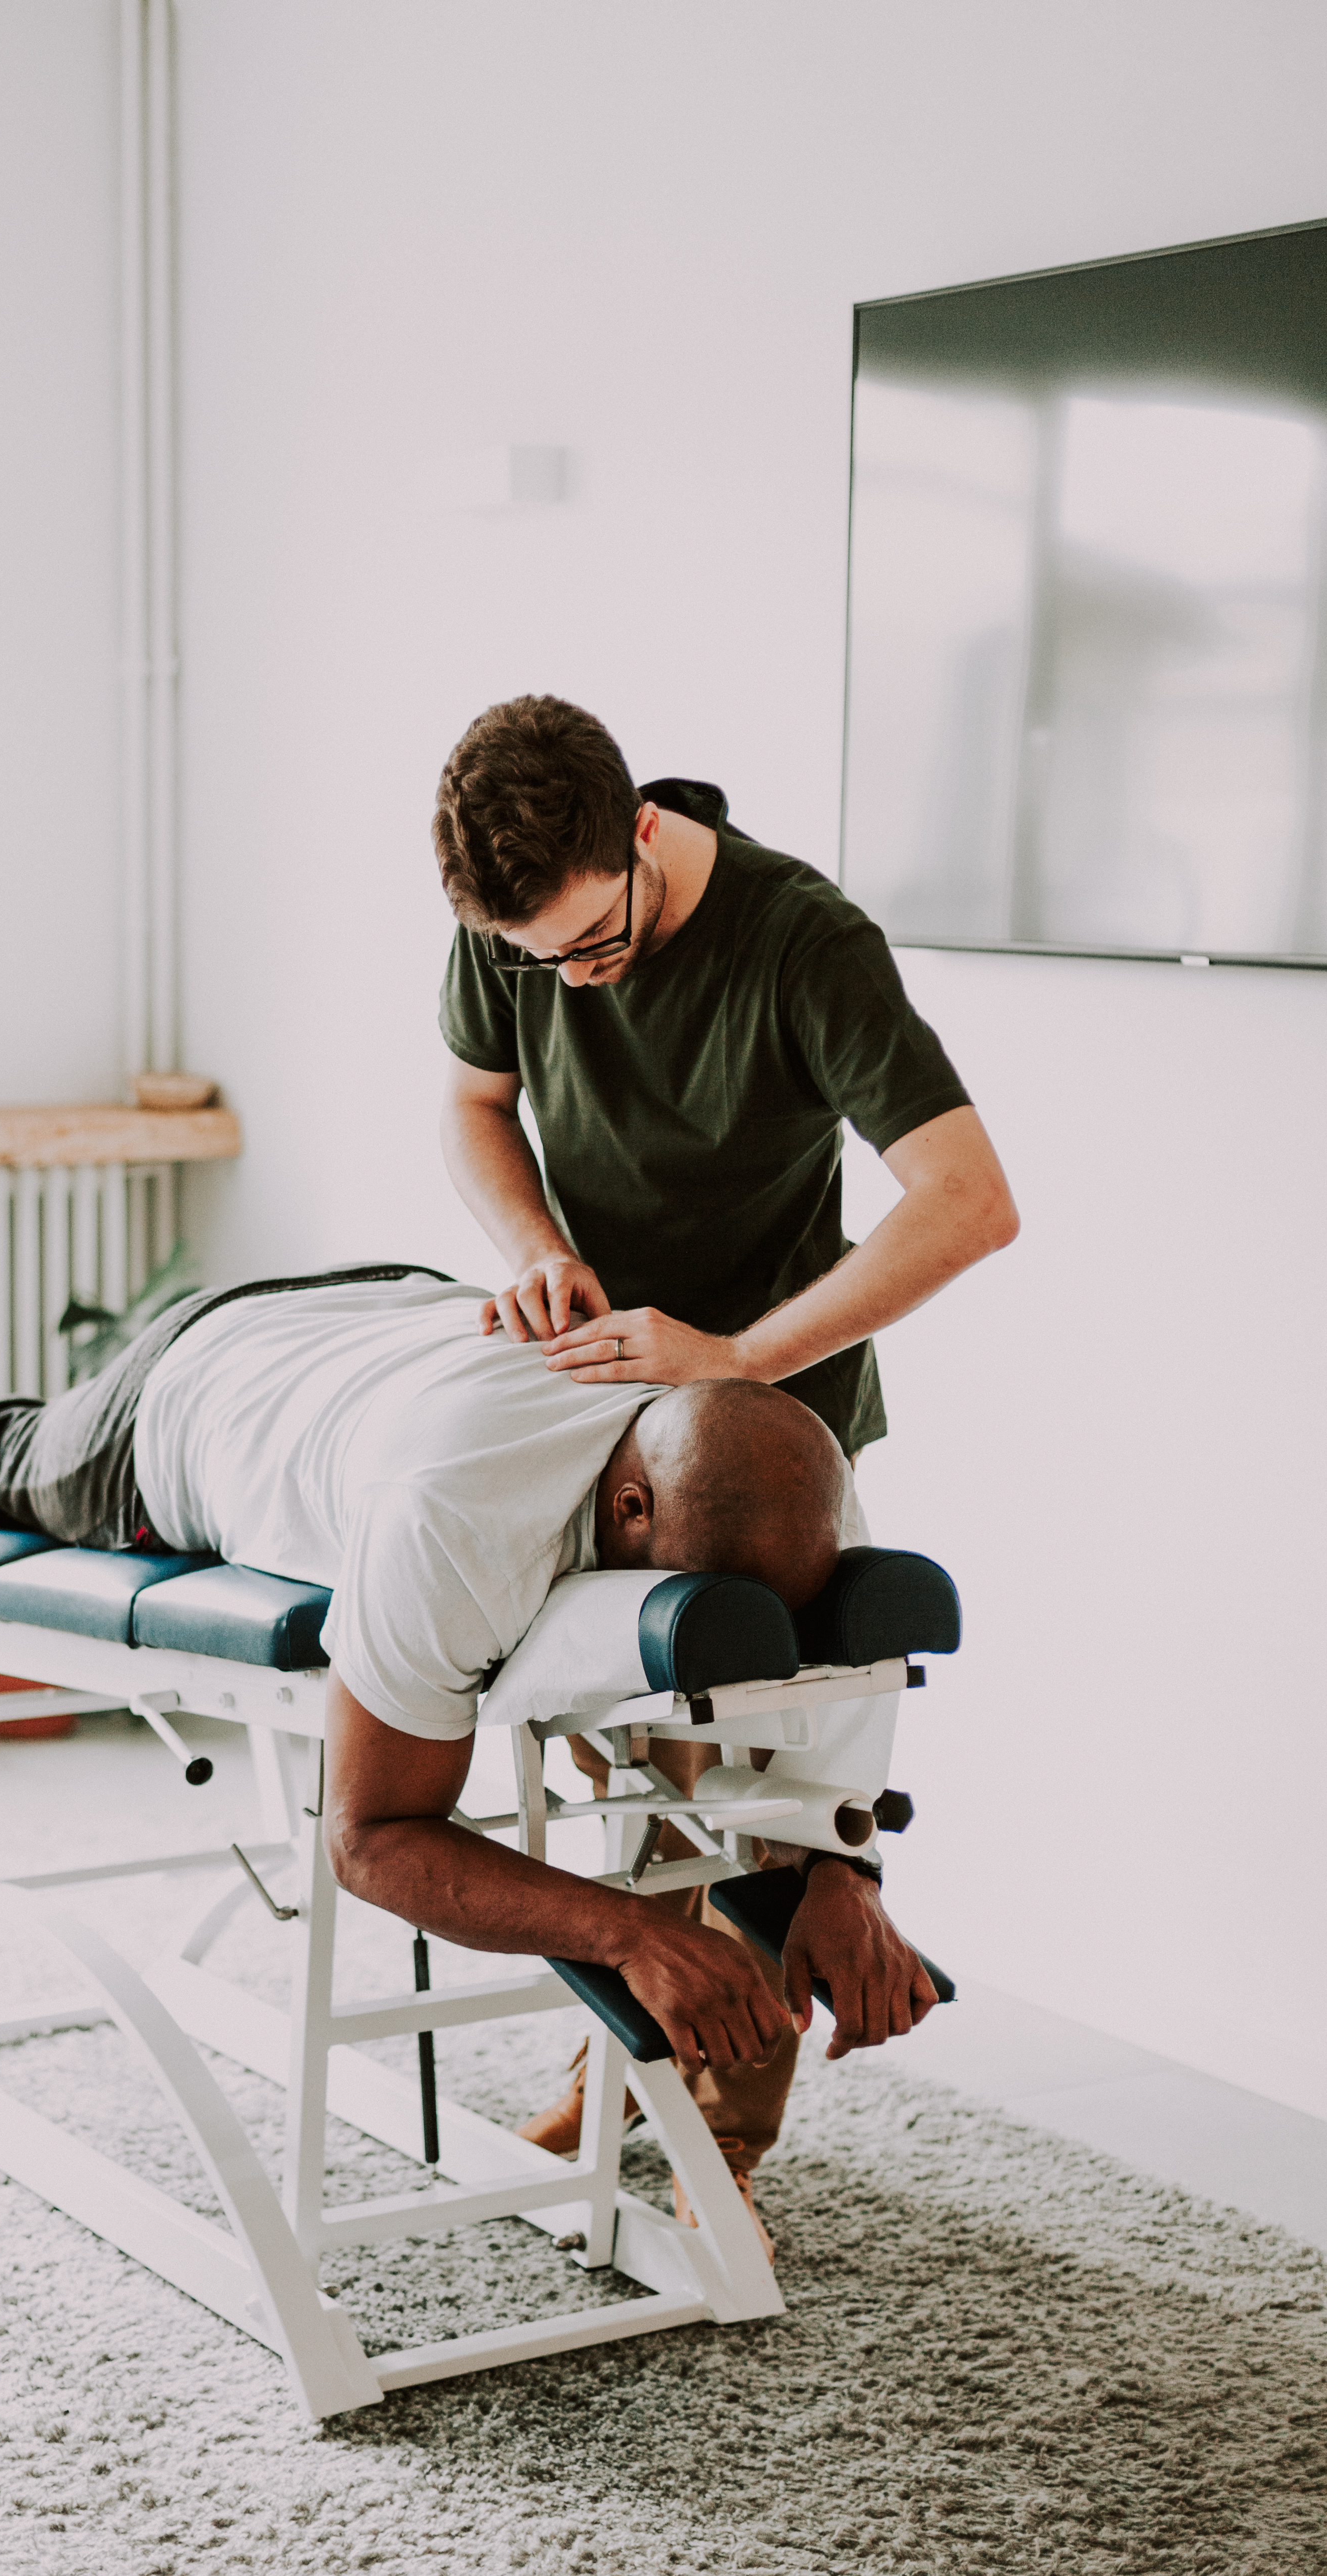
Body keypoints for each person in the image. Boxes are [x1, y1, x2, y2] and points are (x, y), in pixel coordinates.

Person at [0, 1265, 937, 2249]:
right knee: (16, 1466)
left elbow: (812, 1723)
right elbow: (368, 1841)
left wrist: (844, 1873)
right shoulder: (453, 1517)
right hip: (195, 1390)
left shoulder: (789, 1484)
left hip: (394, 1314)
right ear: (630, 1505)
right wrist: (630, 1932)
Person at [431, 694, 1015, 2172]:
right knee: (616, 1749)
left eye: (592, 947)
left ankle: (726, 2137)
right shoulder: (516, 918)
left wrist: (739, 1359)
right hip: (596, 1400)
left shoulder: (801, 945)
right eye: (533, 962)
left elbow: (969, 1203)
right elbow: (475, 1105)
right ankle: (623, 2055)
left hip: (766, 1421)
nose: (565, 979)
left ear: (641, 836)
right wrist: (532, 1243)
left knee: (747, 1764)